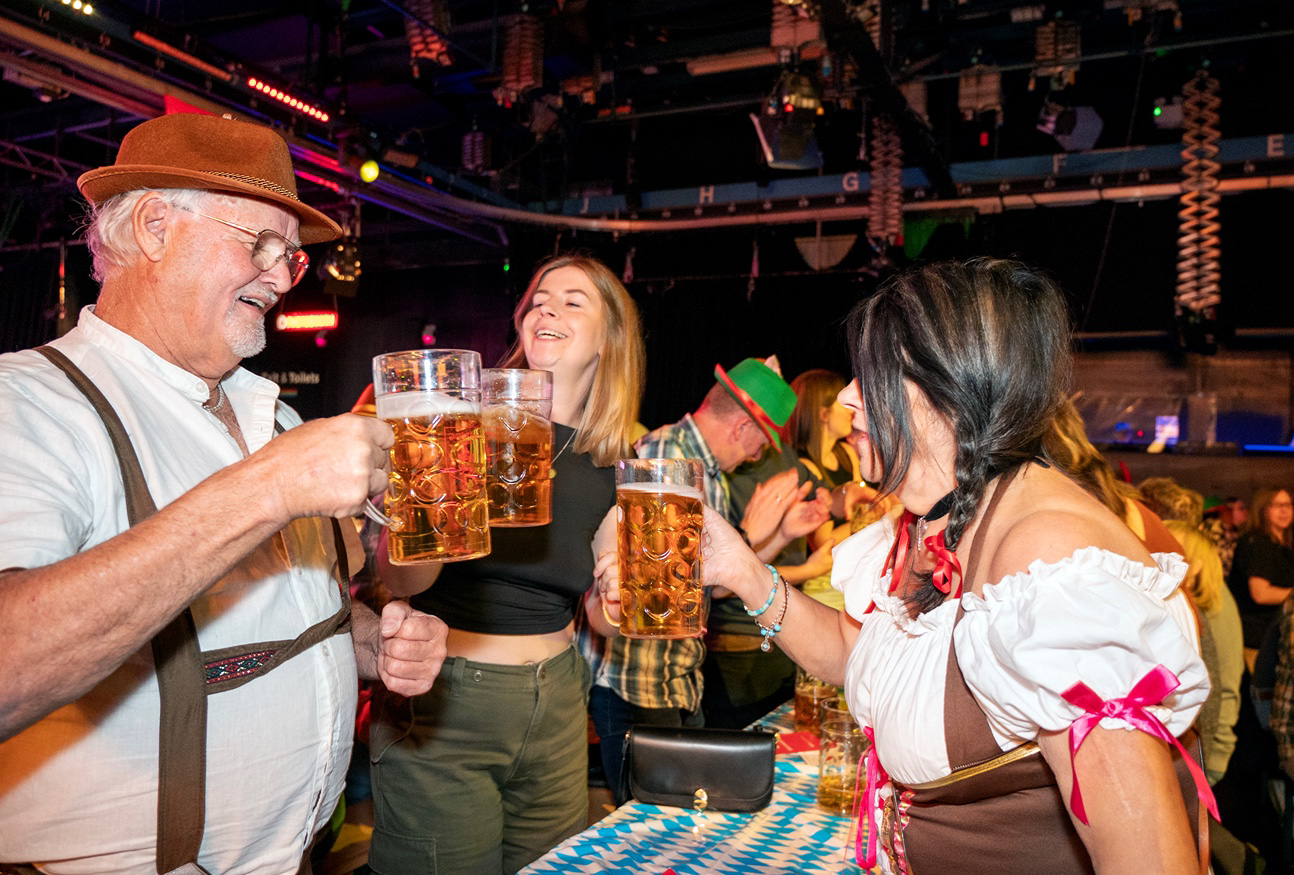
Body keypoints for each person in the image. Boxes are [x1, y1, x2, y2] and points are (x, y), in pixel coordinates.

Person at [601, 259, 1211, 873]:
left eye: (871, 377)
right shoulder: (937, 515)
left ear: (950, 393)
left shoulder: (1052, 559)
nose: (846, 397)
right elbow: (853, 652)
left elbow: (1150, 860)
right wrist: (743, 570)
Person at [0, 112, 448, 873]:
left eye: (290, 258)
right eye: (260, 245)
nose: (281, 278)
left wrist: (366, 640)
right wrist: (266, 488)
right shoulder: (29, 402)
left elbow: (287, 608)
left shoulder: (275, 416)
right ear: (154, 227)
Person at [368, 255, 644, 875]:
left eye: (573, 301)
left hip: (559, 704)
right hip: (449, 700)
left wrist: (618, 594)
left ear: (610, 339)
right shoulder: (460, 423)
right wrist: (425, 514)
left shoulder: (613, 458)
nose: (547, 308)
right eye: (539, 299)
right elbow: (399, 580)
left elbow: (603, 616)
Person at [584, 357, 830, 795]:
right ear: (743, 427)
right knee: (648, 820)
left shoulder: (705, 471)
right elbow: (657, 582)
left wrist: (779, 536)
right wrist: (750, 532)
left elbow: (709, 581)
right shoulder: (668, 458)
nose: (758, 455)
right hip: (638, 683)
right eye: (762, 444)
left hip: (675, 680)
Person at [1226, 487, 1294, 664]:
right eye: (1277, 505)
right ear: (1263, 509)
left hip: (1273, 636)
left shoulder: (1282, 544)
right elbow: (1261, 593)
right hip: (1258, 639)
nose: (1284, 511)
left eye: (1288, 505)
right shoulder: (1259, 543)